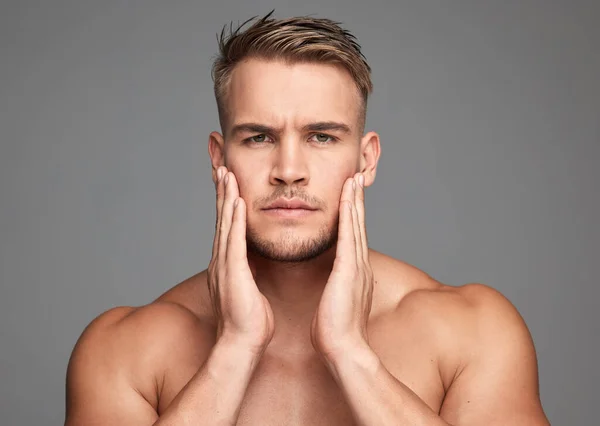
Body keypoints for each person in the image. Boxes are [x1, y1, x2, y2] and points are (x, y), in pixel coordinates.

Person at [64, 11, 549, 426]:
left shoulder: (474, 331)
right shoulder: (122, 351)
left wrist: (351, 354)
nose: (289, 171)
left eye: (321, 137)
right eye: (258, 137)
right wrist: (234, 349)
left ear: (366, 160)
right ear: (219, 159)